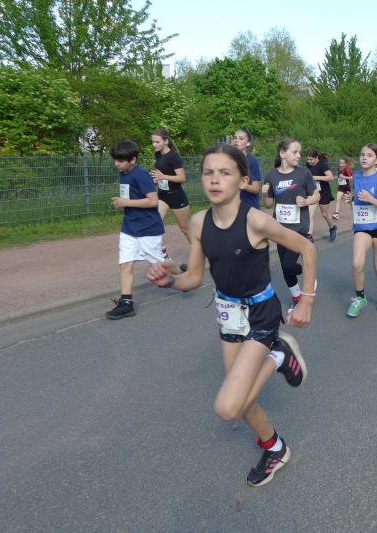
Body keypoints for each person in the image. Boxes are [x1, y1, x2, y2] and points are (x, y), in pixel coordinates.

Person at [148, 143, 315, 487]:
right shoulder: (198, 223)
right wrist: (171, 281)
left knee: (228, 407)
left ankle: (279, 354)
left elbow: (307, 248)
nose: (215, 179)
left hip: (260, 313)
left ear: (242, 179)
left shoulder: (255, 220)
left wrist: (306, 302)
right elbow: (195, 277)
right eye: (208, 172)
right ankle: (275, 449)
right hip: (228, 312)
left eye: (225, 173)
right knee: (242, 398)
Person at [107, 139, 166, 320]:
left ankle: (183, 277)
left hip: (148, 228)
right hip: (129, 227)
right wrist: (123, 203)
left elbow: (153, 201)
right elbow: (131, 199)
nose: (116, 164)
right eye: (115, 160)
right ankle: (127, 303)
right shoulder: (124, 173)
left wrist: (126, 202)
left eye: (120, 160)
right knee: (125, 263)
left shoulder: (140, 174)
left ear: (132, 160)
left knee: (159, 267)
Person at [262, 139, 320, 312]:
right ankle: (296, 298)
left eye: (299, 152)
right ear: (282, 154)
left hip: (299, 228)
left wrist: (306, 201)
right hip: (280, 230)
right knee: (286, 268)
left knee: (288, 265)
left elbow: (316, 195)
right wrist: (265, 194)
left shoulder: (303, 173)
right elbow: (268, 205)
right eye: (295, 152)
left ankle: (308, 273)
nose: (299, 155)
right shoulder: (271, 175)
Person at [345, 144, 377, 317]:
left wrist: (371, 199)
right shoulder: (356, 176)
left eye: (369, 155)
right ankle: (360, 298)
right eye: (362, 154)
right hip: (363, 227)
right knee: (356, 263)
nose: (364, 157)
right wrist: (350, 198)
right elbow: (359, 200)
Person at [150, 128, 190, 273]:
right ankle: (163, 253)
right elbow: (161, 175)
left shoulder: (173, 156)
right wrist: (156, 179)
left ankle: (201, 251)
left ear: (166, 141)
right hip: (163, 195)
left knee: (185, 229)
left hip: (176, 196)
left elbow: (182, 178)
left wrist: (163, 177)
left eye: (157, 142)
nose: (154, 144)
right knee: (155, 223)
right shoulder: (158, 155)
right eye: (153, 142)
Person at [305, 149, 338, 241]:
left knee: (324, 214)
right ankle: (309, 236)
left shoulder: (322, 165)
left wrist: (316, 177)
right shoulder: (308, 165)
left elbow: (331, 177)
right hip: (313, 192)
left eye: (311, 159)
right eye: (308, 159)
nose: (309, 161)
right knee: (309, 213)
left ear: (316, 158)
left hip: (324, 192)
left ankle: (332, 228)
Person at [231, 128, 262, 209]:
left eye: (241, 139)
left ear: (248, 143)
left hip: (249, 207)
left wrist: (242, 185)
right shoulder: (228, 160)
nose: (236, 141)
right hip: (233, 208)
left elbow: (256, 188)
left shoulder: (251, 161)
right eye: (235, 138)